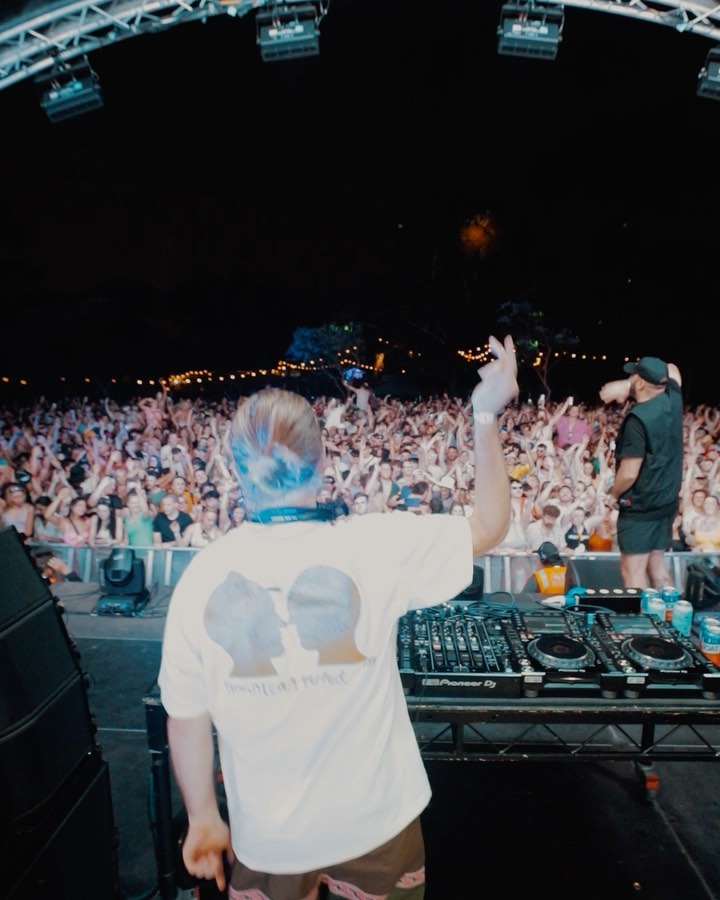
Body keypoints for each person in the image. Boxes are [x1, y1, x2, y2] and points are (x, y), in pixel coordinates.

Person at [157, 334, 518, 900]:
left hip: (270, 837)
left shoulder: (201, 578)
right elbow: (490, 525)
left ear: (236, 470)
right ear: (323, 460)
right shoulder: (375, 545)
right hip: (378, 823)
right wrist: (485, 413)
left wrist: (203, 816)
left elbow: (186, 719)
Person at [599, 355, 683, 589]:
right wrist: (627, 385)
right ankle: (670, 611)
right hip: (666, 502)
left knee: (632, 572)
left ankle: (641, 614)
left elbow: (629, 473)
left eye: (633, 375)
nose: (630, 377)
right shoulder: (672, 398)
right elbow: (673, 367)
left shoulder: (637, 420)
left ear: (641, 382)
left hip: (640, 506)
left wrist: (613, 495)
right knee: (657, 568)